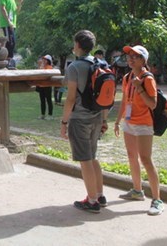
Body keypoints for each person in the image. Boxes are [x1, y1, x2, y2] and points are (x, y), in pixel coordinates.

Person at [60, 30, 108, 213]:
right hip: (96, 118)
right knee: (93, 157)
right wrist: (104, 120)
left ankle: (92, 201)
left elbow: (71, 98)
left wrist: (64, 122)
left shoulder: (74, 68)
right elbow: (105, 96)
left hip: (79, 119)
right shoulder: (101, 64)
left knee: (85, 160)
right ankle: (100, 194)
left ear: (77, 45)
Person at [114, 44, 164, 216]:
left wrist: (140, 87)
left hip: (144, 124)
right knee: (131, 156)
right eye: (129, 55)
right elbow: (124, 101)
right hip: (129, 122)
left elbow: (153, 104)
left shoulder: (147, 78)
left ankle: (157, 199)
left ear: (143, 60)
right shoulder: (127, 77)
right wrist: (117, 121)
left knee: (146, 159)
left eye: (135, 56)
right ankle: (137, 190)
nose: (130, 58)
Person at [0, 0, 23, 69]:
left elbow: (16, 11)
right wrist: (8, 22)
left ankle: (10, 60)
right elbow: (2, 8)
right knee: (10, 41)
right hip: (6, 23)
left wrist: (20, 3)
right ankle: (8, 61)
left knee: (13, 42)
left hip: (13, 23)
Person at [37, 54, 54, 120]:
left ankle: (50, 115)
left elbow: (44, 74)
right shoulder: (42, 67)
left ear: (48, 61)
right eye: (43, 59)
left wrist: (41, 67)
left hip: (47, 86)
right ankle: (43, 114)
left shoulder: (49, 67)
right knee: (42, 101)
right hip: (41, 86)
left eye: (45, 59)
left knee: (49, 101)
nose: (43, 60)